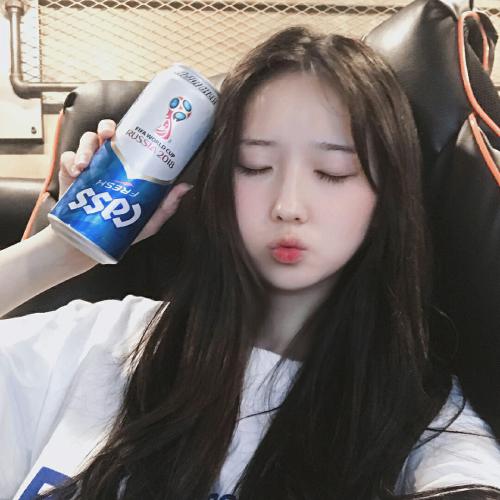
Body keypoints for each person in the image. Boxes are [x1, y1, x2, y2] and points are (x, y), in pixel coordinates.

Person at [1, 26, 499, 500]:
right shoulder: (99, 342)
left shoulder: (422, 425)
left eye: (333, 171)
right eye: (255, 166)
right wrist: (61, 252)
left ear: (387, 196)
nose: (288, 205)